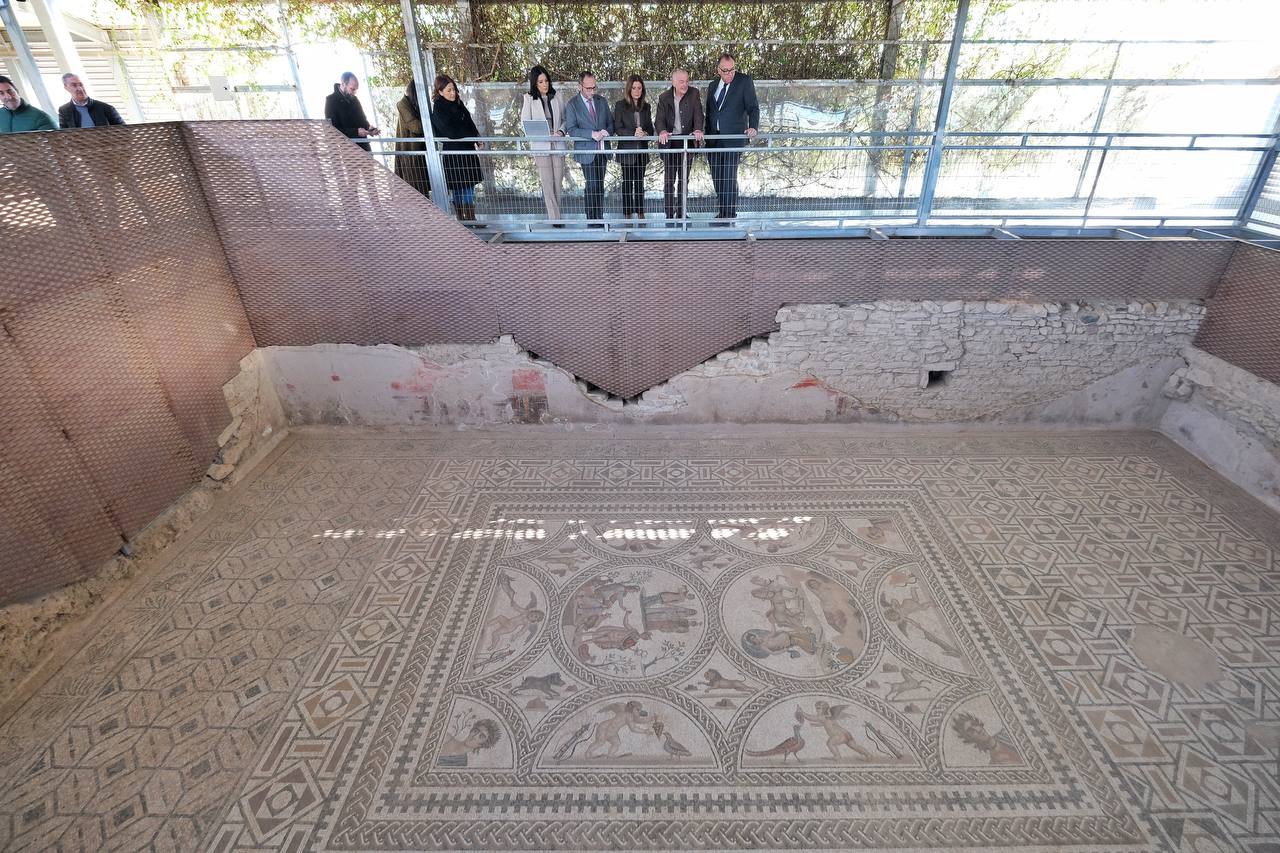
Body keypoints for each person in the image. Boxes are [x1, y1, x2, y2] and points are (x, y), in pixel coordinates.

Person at [704, 52, 759, 223]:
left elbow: (753, 107)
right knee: (717, 176)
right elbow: (710, 113)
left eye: (732, 70)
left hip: (733, 138)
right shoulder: (713, 85)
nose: (729, 74)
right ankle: (723, 211)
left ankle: (729, 214)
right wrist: (705, 136)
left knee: (729, 176)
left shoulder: (744, 81)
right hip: (713, 139)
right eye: (725, 70)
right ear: (718, 70)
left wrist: (753, 127)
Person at [429, 74, 484, 221]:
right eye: (449, 90)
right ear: (440, 92)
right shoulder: (439, 109)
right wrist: (468, 134)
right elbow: (451, 132)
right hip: (454, 154)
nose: (453, 93)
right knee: (458, 187)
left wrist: (476, 137)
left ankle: (471, 218)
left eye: (453, 89)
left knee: (469, 186)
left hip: (468, 152)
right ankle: (462, 218)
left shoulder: (459, 104)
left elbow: (469, 122)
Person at [563, 70, 613, 226]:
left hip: (602, 151)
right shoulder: (572, 105)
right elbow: (571, 129)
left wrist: (607, 131)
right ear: (580, 86)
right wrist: (591, 134)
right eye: (588, 88)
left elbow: (611, 124)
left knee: (600, 184)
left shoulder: (602, 101)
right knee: (591, 184)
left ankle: (600, 216)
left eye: (594, 87)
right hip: (587, 151)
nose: (592, 91)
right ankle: (591, 219)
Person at [654, 68, 704, 222]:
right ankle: (669, 214)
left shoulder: (694, 94)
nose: (685, 84)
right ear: (673, 82)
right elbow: (659, 120)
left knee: (683, 181)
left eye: (687, 81)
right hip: (669, 144)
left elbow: (699, 115)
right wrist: (662, 131)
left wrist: (697, 129)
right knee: (669, 181)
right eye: (681, 81)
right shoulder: (664, 98)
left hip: (686, 144)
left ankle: (682, 213)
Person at [519, 65, 567, 225]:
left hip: (557, 144)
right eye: (540, 81)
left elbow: (566, 120)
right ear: (535, 83)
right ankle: (555, 219)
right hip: (541, 146)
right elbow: (525, 123)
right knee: (547, 183)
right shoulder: (528, 99)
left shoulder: (557, 96)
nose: (545, 84)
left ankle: (557, 214)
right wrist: (543, 134)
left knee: (558, 182)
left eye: (546, 80)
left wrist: (560, 132)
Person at [612, 74, 654, 223]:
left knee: (640, 182)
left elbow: (650, 128)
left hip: (641, 151)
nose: (637, 91)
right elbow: (618, 128)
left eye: (639, 88)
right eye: (634, 88)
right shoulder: (620, 105)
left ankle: (641, 211)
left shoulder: (646, 106)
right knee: (627, 183)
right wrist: (633, 133)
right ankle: (627, 212)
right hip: (627, 151)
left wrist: (646, 133)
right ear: (629, 89)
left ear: (642, 90)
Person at [324, 72, 380, 151]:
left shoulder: (354, 99)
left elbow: (362, 120)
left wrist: (370, 129)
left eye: (356, 90)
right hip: (347, 151)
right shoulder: (331, 101)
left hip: (364, 146)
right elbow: (332, 129)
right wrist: (355, 132)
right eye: (352, 89)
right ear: (343, 84)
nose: (354, 93)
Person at [393, 81, 430, 197]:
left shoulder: (412, 104)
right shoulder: (403, 105)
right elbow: (416, 127)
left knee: (421, 188)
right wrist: (429, 124)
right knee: (416, 189)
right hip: (410, 153)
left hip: (417, 153)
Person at [58, 73, 125, 129]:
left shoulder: (106, 108)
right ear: (66, 88)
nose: (80, 89)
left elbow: (124, 131)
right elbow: (64, 135)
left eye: (81, 84)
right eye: (74, 85)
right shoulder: (64, 111)